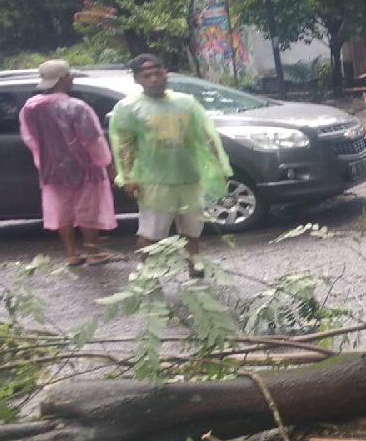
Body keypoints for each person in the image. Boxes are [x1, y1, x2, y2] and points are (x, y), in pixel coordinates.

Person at [108, 54, 231, 276]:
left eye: (158, 73)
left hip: (189, 177)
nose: (154, 79)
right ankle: (147, 273)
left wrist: (218, 166)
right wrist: (127, 177)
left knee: (192, 229)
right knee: (152, 232)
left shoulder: (186, 102)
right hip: (154, 181)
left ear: (166, 74)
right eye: (147, 75)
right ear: (137, 80)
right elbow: (123, 145)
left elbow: (205, 135)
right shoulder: (128, 107)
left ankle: (195, 265)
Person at [19, 60, 118, 266]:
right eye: (70, 76)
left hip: (51, 169)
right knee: (87, 210)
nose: (72, 79)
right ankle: (93, 252)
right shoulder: (77, 107)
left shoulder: (30, 109)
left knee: (61, 210)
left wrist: (44, 160)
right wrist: (107, 164)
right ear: (63, 79)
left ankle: (72, 254)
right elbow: (92, 140)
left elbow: (31, 140)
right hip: (85, 168)